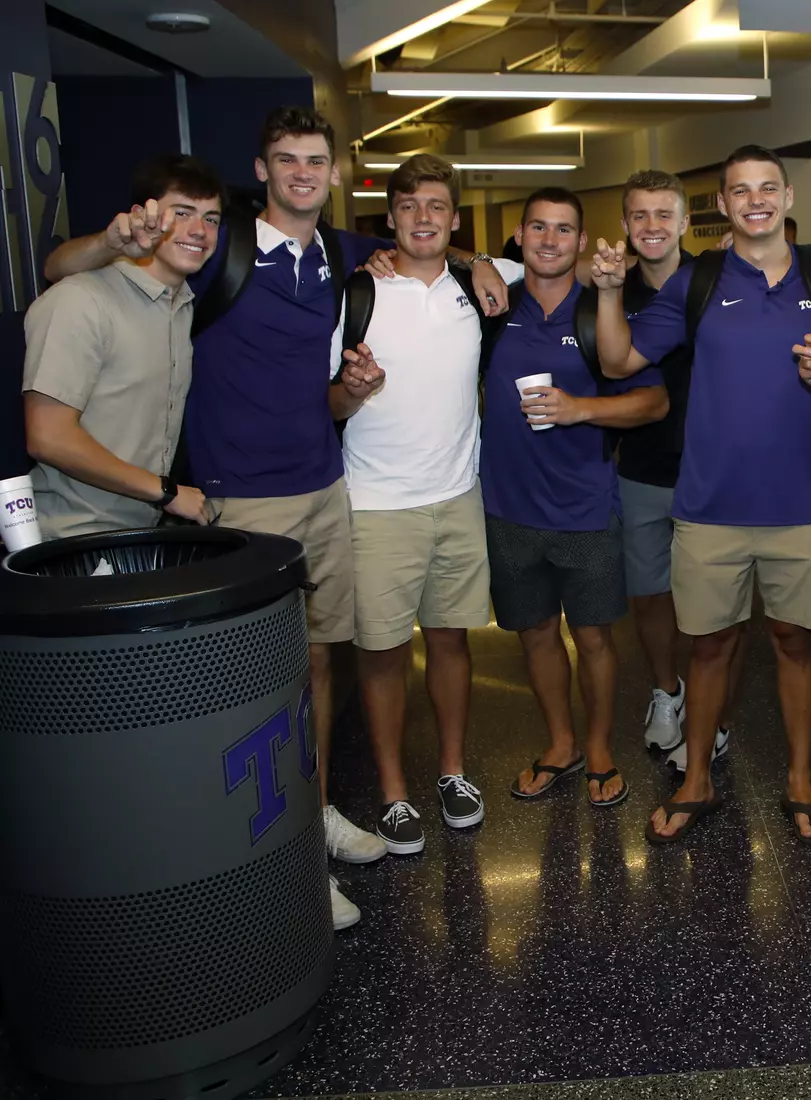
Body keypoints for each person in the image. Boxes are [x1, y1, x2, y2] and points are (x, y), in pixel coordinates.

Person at [38, 108, 492, 930]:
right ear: (263, 168)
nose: (303, 173)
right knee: (258, 680)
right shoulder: (220, 248)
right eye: (286, 161)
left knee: (321, 665)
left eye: (316, 161)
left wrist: (469, 259)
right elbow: (60, 267)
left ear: (335, 173)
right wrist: (108, 242)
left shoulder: (344, 255)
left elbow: (427, 239)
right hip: (239, 499)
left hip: (327, 484)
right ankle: (274, 855)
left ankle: (309, 822)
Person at [590, 145, 811, 845]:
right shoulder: (698, 281)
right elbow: (618, 361)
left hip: (799, 507)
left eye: (768, 188)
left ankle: (799, 778)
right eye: (740, 190)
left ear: (789, 196)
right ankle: (696, 778)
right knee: (707, 648)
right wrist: (612, 291)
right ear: (724, 205)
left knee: (796, 644)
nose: (755, 200)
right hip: (708, 511)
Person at [487, 188, 668, 810]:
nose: (548, 240)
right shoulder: (491, 307)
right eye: (538, 227)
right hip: (507, 507)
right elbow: (415, 253)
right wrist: (476, 258)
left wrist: (578, 410)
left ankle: (597, 749)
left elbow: (654, 401)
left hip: (586, 507)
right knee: (535, 634)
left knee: (593, 637)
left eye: (563, 230)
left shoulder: (601, 314)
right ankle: (559, 744)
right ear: (519, 234)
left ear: (582, 241)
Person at [331, 154, 491, 856]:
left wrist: (478, 258)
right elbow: (329, 402)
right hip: (377, 504)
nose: (423, 218)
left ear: (454, 219)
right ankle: (394, 793)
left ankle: (452, 773)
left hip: (458, 496)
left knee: (453, 640)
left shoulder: (479, 283)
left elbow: (531, 264)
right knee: (383, 652)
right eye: (409, 207)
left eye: (436, 206)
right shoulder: (356, 293)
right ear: (389, 217)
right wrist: (355, 389)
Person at [611, 170, 743, 767]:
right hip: (640, 469)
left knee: (712, 607)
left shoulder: (716, 279)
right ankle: (668, 692)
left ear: (686, 222)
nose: (652, 227)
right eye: (640, 216)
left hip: (710, 472)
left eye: (665, 215)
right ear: (625, 225)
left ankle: (708, 717)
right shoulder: (612, 292)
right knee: (650, 596)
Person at [22, 155, 220, 538]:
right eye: (182, 213)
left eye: (211, 219)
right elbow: (48, 435)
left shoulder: (179, 306)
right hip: (71, 538)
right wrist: (164, 491)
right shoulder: (80, 300)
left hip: (135, 534)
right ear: (142, 217)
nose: (199, 230)